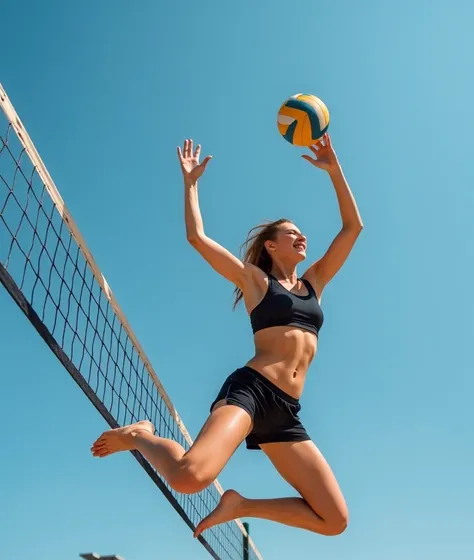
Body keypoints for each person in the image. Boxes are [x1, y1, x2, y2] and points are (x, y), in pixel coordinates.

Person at [91, 134, 363, 538]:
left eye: (302, 232)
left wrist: (334, 170)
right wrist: (190, 184)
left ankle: (240, 505)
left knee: (335, 520)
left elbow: (353, 226)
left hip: (286, 411)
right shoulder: (255, 281)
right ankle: (140, 436)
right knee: (188, 477)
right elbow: (197, 238)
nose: (301, 237)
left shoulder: (314, 283)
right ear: (271, 245)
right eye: (292, 233)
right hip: (252, 390)